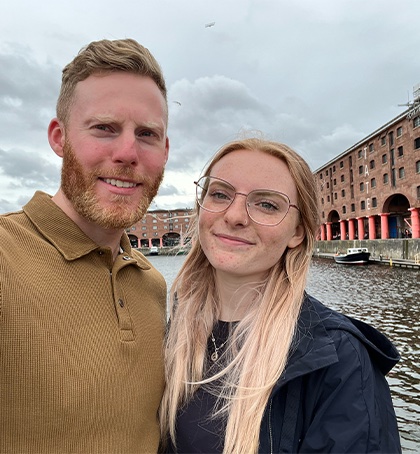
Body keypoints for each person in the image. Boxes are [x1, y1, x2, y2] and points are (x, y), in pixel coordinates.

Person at [159, 137, 401, 453]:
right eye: (220, 194)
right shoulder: (174, 328)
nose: (234, 216)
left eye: (267, 204)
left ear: (297, 232)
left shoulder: (341, 362)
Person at [0, 39, 169, 453]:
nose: (128, 152)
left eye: (147, 134)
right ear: (59, 138)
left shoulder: (152, 284)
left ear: (165, 151)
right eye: (104, 128)